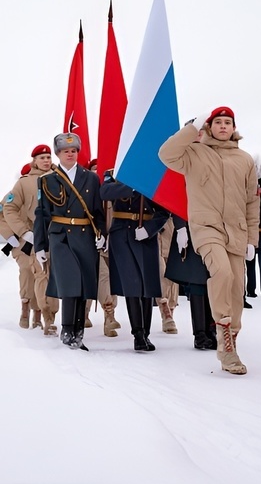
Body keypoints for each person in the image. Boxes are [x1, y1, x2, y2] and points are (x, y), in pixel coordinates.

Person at [159, 107, 259, 375]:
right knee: (222, 273)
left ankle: (231, 338)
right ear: (209, 126)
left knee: (238, 288)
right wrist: (192, 127)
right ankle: (224, 340)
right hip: (207, 228)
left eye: (228, 122)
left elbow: (252, 201)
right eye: (218, 122)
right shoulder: (193, 153)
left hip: (236, 230)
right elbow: (165, 153)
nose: (224, 126)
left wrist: (252, 238)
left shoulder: (245, 159)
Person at [34, 133, 105, 350]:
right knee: (69, 282)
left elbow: (97, 211)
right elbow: (42, 214)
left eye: (74, 151)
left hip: (85, 235)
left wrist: (102, 235)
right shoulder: (47, 180)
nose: (70, 154)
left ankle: (78, 332)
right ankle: (67, 329)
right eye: (66, 151)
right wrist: (40, 245)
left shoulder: (91, 178)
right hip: (60, 236)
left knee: (84, 283)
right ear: (58, 154)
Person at [100, 171, 169, 351]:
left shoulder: (151, 173)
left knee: (148, 284)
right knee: (132, 283)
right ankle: (137, 334)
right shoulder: (113, 173)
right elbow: (106, 192)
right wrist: (133, 184)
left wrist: (149, 229)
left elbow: (163, 209)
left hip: (145, 233)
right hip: (121, 233)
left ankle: (146, 332)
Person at [6, 145, 61, 336]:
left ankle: (45, 313)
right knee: (38, 275)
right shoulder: (24, 183)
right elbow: (7, 211)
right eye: (42, 157)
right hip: (31, 239)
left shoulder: (60, 177)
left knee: (56, 276)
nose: (46, 160)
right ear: (34, 161)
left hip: (61, 234)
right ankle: (43, 316)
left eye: (48, 157)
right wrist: (18, 234)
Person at [165, 215, 218, 350]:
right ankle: (200, 333)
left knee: (214, 280)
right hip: (193, 226)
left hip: (215, 227)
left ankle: (211, 329)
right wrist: (181, 227)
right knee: (197, 280)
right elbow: (180, 199)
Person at [84, 158, 121, 338]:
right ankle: (100, 313)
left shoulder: (113, 190)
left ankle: (108, 315)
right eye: (93, 169)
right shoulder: (87, 191)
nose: (96, 172)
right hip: (93, 240)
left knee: (109, 277)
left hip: (114, 240)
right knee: (100, 275)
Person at [1, 174, 42, 331]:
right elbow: (1, 215)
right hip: (20, 240)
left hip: (39, 238)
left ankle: (38, 314)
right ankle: (25, 309)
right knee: (26, 271)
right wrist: (9, 235)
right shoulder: (11, 196)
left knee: (40, 274)